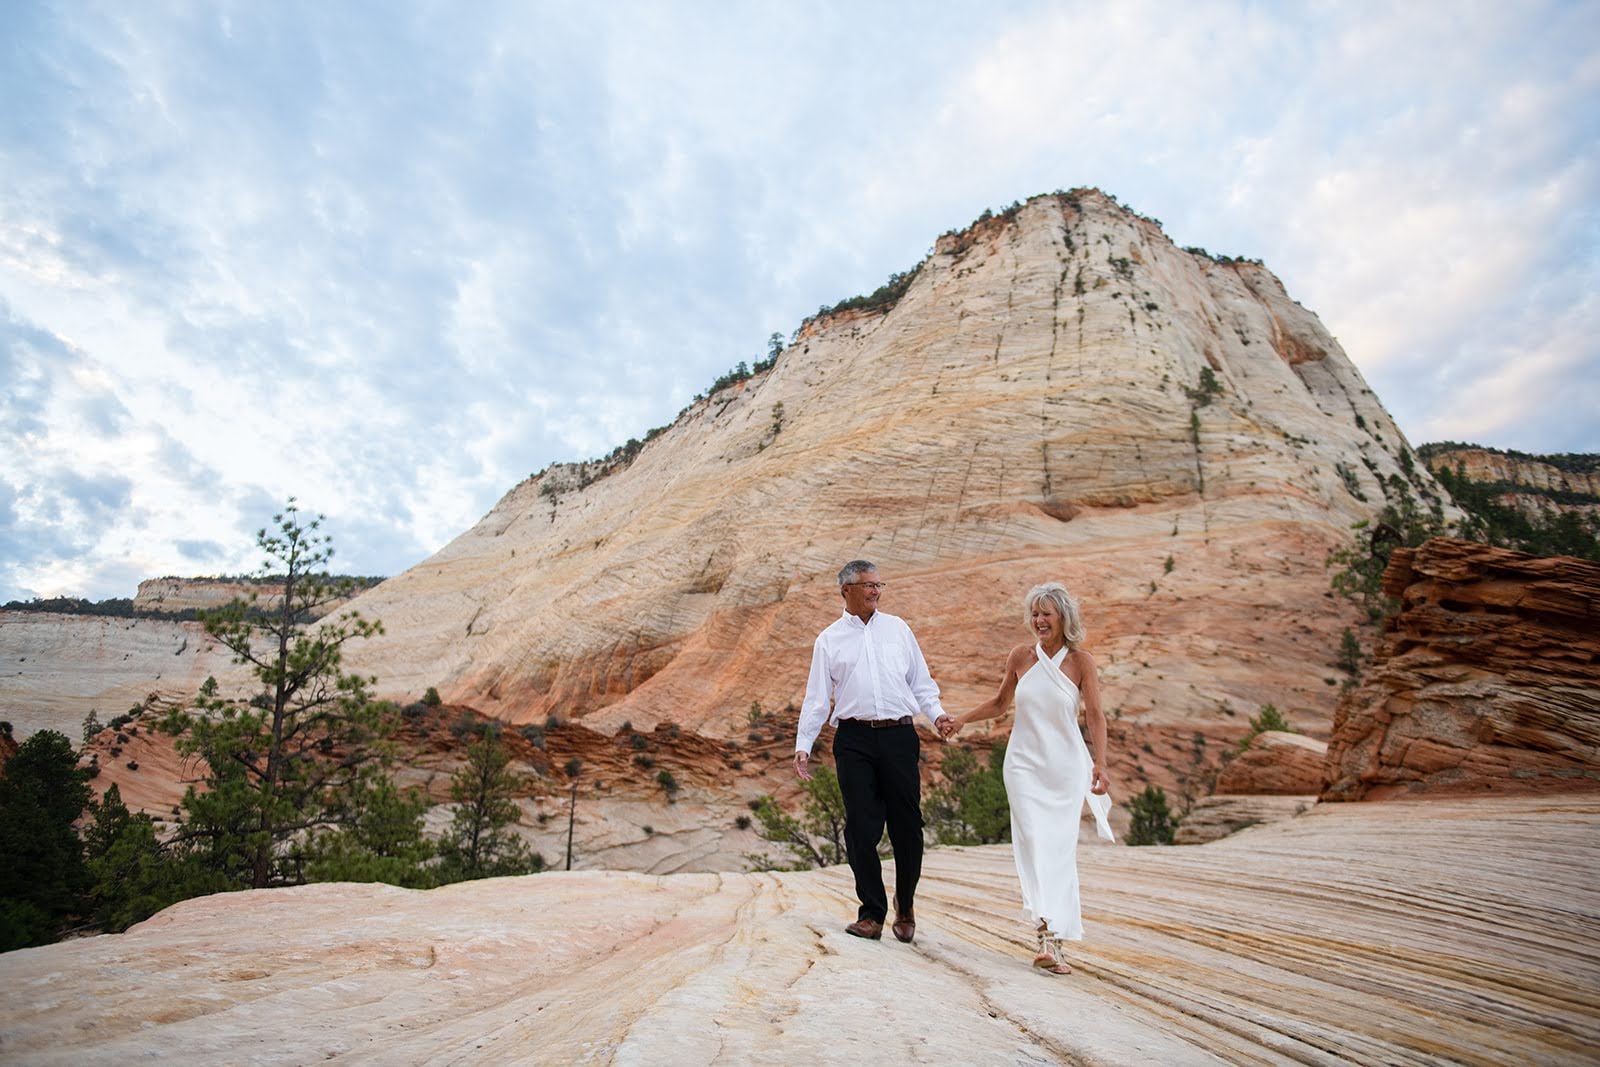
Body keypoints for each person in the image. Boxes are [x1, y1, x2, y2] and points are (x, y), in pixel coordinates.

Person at [945, 582, 1113, 975]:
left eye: (1046, 614)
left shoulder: (1080, 662)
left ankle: (1056, 939)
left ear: (1063, 619)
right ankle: (1044, 932)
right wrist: (962, 720)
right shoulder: (1020, 656)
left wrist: (1100, 764)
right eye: (1034, 613)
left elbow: (1095, 716)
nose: (1038, 620)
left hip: (1065, 767)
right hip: (1022, 765)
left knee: (1059, 848)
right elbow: (1001, 703)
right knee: (1033, 842)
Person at [794, 560, 954, 943]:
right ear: (845, 590)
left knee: (908, 827)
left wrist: (938, 716)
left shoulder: (898, 629)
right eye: (868, 585)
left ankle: (907, 905)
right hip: (854, 741)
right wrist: (804, 744)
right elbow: (817, 699)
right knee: (860, 829)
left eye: (879, 584)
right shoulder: (828, 639)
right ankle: (871, 913)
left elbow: (921, 684)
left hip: (900, 737)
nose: (875, 592)